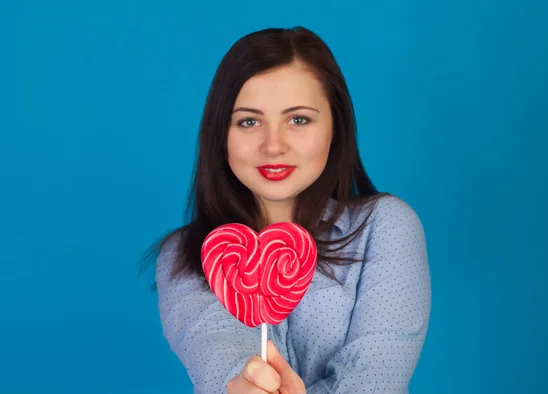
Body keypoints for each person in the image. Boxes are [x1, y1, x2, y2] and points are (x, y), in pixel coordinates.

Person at [153, 26, 431, 394]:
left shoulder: (385, 226)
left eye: (298, 119)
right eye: (249, 121)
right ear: (221, 134)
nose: (273, 146)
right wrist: (246, 383)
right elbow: (214, 343)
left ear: (336, 127)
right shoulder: (186, 254)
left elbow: (377, 373)